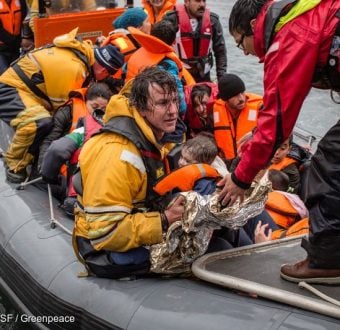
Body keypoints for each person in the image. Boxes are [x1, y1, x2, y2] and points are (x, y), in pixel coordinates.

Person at [219, 0, 340, 284]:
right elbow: (280, 114)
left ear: (252, 27)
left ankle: (327, 261)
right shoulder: (306, 16)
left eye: (241, 44)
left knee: (328, 162)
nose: (246, 53)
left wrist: (240, 177)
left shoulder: (289, 36)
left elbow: (276, 120)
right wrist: (264, 138)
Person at [73, 66, 186, 279]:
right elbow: (105, 233)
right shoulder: (117, 154)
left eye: (174, 101)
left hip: (136, 227)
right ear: (141, 108)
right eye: (163, 103)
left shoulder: (150, 138)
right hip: (105, 251)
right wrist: (164, 220)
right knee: (202, 253)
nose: (173, 111)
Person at [0, 28, 124, 183]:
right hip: (11, 89)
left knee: (45, 122)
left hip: (29, 92)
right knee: (36, 123)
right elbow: (62, 110)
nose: (106, 78)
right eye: (108, 75)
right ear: (104, 69)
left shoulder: (82, 56)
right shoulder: (75, 69)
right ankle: (14, 165)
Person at [38, 81, 112, 172]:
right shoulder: (66, 112)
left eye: (103, 109)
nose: (97, 113)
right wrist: (43, 167)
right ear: (85, 100)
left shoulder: (110, 120)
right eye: (94, 107)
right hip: (62, 165)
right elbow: (49, 140)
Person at [125, 20, 187, 115]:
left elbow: (125, 71)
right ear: (174, 42)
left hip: (129, 104)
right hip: (149, 112)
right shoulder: (168, 64)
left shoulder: (137, 53)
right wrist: (183, 111)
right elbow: (180, 104)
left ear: (151, 36)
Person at [163, 0, 227, 82]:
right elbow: (162, 49)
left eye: (204, 1)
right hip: (179, 76)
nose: (202, 4)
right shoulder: (171, 20)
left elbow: (220, 52)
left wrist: (221, 79)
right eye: (197, 1)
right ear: (186, 2)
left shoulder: (213, 21)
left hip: (204, 76)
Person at [213, 73, 262, 169]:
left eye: (242, 93)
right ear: (225, 99)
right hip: (226, 163)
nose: (241, 98)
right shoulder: (216, 111)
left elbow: (274, 129)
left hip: (251, 163)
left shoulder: (260, 108)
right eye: (235, 95)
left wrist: (256, 132)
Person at [0, 0, 34, 74]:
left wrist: (27, 38)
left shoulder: (21, 1)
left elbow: (26, 20)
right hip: (2, 50)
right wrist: (20, 42)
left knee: (16, 77)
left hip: (15, 49)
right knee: (5, 79)